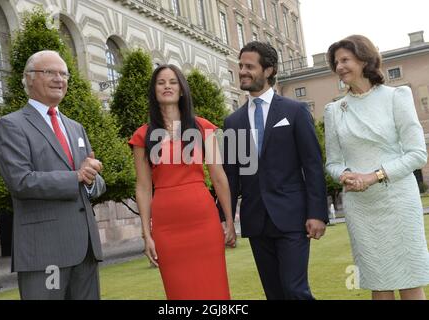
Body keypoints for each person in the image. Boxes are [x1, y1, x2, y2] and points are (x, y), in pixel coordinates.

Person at [220, 41, 328, 300]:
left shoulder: (295, 111)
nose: (242, 71)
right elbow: (231, 176)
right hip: (256, 220)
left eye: (249, 66)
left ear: (269, 70)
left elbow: (312, 165)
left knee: (295, 289)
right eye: (241, 66)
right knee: (274, 293)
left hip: (292, 217)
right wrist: (224, 219)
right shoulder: (232, 122)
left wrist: (317, 213)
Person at [0, 50, 106, 300]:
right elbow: (20, 182)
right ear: (29, 78)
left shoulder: (76, 127)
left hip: (86, 252)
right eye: (50, 72)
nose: (59, 79)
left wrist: (90, 179)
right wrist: (77, 177)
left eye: (64, 74)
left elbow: (95, 183)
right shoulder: (12, 125)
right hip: (45, 253)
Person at [325, 35, 429, 300]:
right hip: (361, 209)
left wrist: (374, 176)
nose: (339, 67)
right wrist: (345, 175)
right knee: (377, 281)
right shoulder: (334, 111)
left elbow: (417, 153)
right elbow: (333, 163)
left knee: (409, 279)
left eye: (345, 60)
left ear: (364, 60)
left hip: (398, 202)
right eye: (336, 62)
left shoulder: (397, 97)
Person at [129, 64, 236, 300]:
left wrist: (229, 220)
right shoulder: (142, 136)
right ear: (154, 91)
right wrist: (147, 234)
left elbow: (218, 176)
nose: (167, 86)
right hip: (166, 226)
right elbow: (143, 188)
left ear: (181, 90)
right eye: (160, 82)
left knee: (214, 290)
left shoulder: (203, 128)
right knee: (179, 293)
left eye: (172, 82)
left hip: (204, 221)